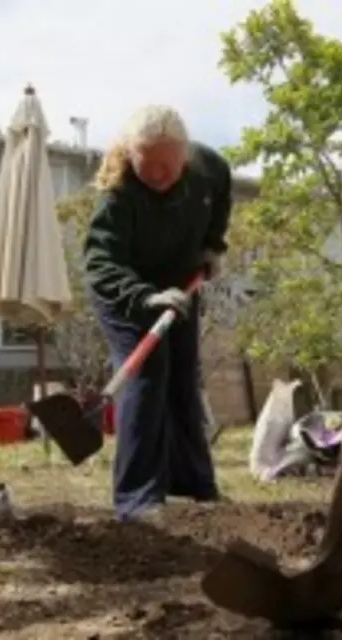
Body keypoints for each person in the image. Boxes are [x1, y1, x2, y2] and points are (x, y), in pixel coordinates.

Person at [84, 105, 231, 521]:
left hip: (180, 284)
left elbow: (219, 198)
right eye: (149, 166)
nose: (159, 176)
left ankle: (194, 485)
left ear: (185, 156)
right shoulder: (119, 194)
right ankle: (135, 498)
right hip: (125, 290)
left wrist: (212, 245)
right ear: (131, 156)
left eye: (169, 166)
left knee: (183, 376)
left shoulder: (209, 168)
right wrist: (144, 297)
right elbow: (100, 264)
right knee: (148, 374)